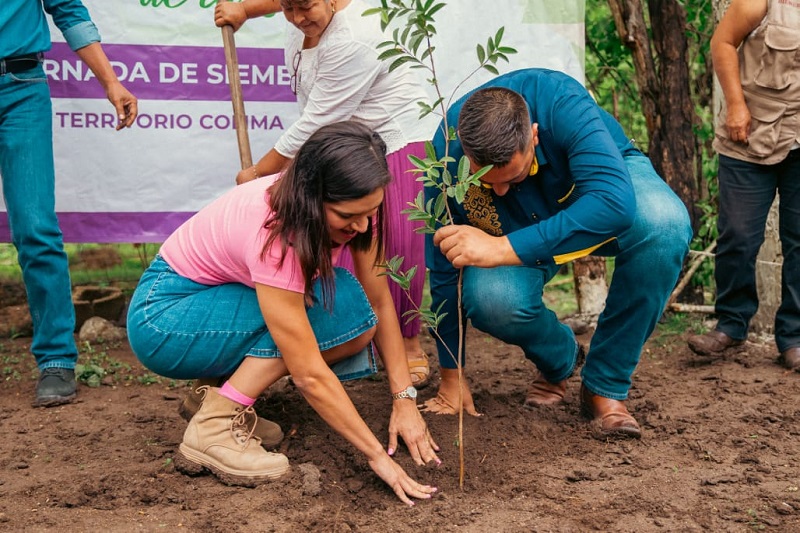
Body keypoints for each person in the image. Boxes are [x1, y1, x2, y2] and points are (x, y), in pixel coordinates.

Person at [127, 121, 440, 503]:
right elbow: (308, 373)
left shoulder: (353, 212)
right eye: (347, 216)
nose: (361, 226)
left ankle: (212, 396)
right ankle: (213, 425)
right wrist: (378, 456)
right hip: (164, 318)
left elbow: (378, 302)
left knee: (353, 316)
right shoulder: (278, 233)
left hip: (208, 303)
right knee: (337, 309)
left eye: (370, 212)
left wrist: (404, 400)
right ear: (313, 198)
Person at [423, 68, 693, 439]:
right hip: (513, 224)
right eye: (487, 183)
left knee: (664, 225)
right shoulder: (446, 156)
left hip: (596, 191)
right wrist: (452, 376)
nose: (498, 192)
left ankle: (604, 386)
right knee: (492, 299)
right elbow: (442, 263)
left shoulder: (561, 103)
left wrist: (503, 247)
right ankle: (559, 361)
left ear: (534, 135)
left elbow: (614, 204)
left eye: (512, 178)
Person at [214, 0, 433, 388]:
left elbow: (316, 122)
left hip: (392, 137)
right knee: (338, 242)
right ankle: (357, 343)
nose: (299, 19)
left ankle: (408, 344)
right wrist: (246, 9)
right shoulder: (304, 17)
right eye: (289, 9)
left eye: (307, 7)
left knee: (390, 247)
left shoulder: (354, 39)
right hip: (342, 140)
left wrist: (258, 173)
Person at [0, 0, 138, 407]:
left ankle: (56, 359)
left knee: (36, 228)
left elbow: (70, 12)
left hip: (21, 90)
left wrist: (110, 81)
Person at [687, 0, 800, 370]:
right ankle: (731, 325)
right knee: (737, 234)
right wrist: (735, 104)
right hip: (752, 133)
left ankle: (794, 337)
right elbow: (722, 42)